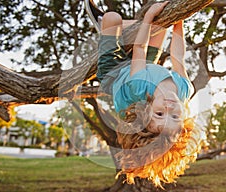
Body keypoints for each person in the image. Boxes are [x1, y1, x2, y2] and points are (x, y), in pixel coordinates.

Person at [85, 0, 200, 188]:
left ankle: (106, 25)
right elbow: (177, 56)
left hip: (114, 71)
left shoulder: (139, 86)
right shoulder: (184, 89)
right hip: (145, 66)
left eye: (160, 114)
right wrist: (179, 21)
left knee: (112, 18)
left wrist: (148, 16)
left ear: (147, 109)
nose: (170, 107)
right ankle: (126, 28)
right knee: (161, 25)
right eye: (175, 116)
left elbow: (140, 49)